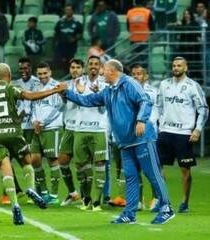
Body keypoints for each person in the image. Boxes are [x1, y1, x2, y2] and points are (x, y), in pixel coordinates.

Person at [61, 59, 175, 224]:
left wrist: (141, 120)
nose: (101, 72)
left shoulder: (130, 84)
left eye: (104, 70)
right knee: (130, 177)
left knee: (152, 174)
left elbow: (145, 101)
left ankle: (166, 208)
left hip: (142, 139)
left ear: (112, 71)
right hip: (125, 142)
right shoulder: (108, 91)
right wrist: (66, 93)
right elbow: (87, 101)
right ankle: (129, 213)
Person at [0, 63, 64, 225]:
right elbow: (29, 96)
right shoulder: (11, 88)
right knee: (27, 163)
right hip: (13, 133)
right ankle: (31, 188)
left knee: (6, 170)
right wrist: (54, 90)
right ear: (9, 75)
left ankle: (15, 206)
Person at [157, 57, 209, 213]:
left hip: (183, 133)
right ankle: (163, 200)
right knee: (158, 167)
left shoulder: (193, 86)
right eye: (174, 65)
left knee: (185, 170)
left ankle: (184, 202)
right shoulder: (164, 84)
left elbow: (204, 109)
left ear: (185, 68)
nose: (176, 68)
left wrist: (197, 129)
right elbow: (159, 106)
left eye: (179, 65)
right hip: (165, 132)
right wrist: (160, 125)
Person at [70, 55, 109, 211]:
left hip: (99, 129)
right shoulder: (77, 82)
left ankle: (97, 201)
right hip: (80, 128)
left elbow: (104, 108)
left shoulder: (105, 83)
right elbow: (72, 104)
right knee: (81, 166)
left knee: (99, 163)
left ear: (100, 67)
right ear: (86, 66)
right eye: (90, 63)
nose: (93, 66)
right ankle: (86, 199)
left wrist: (99, 93)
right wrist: (78, 94)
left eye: (96, 64)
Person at [30, 61, 64, 204]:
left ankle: (54, 195)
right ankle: (43, 192)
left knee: (52, 159)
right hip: (37, 129)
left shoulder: (56, 87)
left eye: (45, 73)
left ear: (50, 72)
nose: (42, 76)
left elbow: (58, 108)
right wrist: (34, 121)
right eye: (40, 74)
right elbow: (32, 106)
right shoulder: (35, 86)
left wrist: (42, 123)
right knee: (35, 160)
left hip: (52, 128)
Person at [130, 63, 159, 210]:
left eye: (139, 73)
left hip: (148, 134)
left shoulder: (153, 92)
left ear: (145, 76)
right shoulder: (127, 91)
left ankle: (156, 197)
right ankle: (139, 200)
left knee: (151, 168)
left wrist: (145, 125)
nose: (136, 76)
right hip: (132, 135)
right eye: (133, 74)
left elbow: (157, 111)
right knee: (135, 169)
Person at [59, 58, 84, 206]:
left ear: (83, 69)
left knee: (82, 164)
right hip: (68, 127)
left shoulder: (87, 84)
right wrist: (62, 97)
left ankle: (85, 195)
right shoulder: (65, 85)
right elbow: (63, 105)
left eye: (78, 67)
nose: (75, 70)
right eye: (73, 67)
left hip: (83, 127)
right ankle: (73, 193)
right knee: (62, 161)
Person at [54, 4, 83, 73]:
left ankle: (69, 75)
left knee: (70, 61)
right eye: (66, 10)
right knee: (59, 60)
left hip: (71, 45)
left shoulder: (77, 22)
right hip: (61, 45)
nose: (67, 11)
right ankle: (61, 74)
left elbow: (80, 34)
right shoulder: (60, 22)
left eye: (69, 10)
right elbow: (56, 33)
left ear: (73, 11)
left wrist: (74, 38)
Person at [126, 0, 154, 67]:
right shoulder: (147, 12)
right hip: (144, 40)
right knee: (144, 60)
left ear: (135, 3)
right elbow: (152, 27)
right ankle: (145, 74)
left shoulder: (129, 12)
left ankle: (135, 75)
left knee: (135, 60)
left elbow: (128, 28)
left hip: (133, 40)